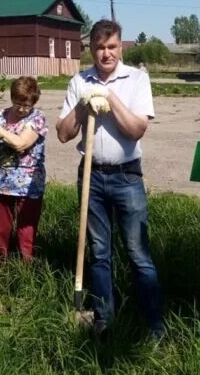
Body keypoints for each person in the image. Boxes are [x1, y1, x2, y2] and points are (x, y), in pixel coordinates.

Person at [56, 20, 164, 340]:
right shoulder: (79, 81)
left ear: (121, 47)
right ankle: (105, 318)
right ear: (91, 49)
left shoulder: (137, 79)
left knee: (137, 252)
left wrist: (109, 97)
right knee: (99, 251)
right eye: (100, 47)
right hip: (91, 174)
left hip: (126, 176)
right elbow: (63, 134)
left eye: (112, 46)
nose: (106, 53)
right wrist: (84, 101)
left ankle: (154, 325)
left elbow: (136, 129)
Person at [0, 76, 47, 261]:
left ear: (33, 102)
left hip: (28, 186)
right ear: (12, 98)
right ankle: (0, 265)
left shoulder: (37, 118)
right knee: (0, 231)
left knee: (26, 232)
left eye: (26, 105)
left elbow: (21, 144)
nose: (21, 108)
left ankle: (26, 268)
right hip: (0, 183)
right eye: (17, 103)